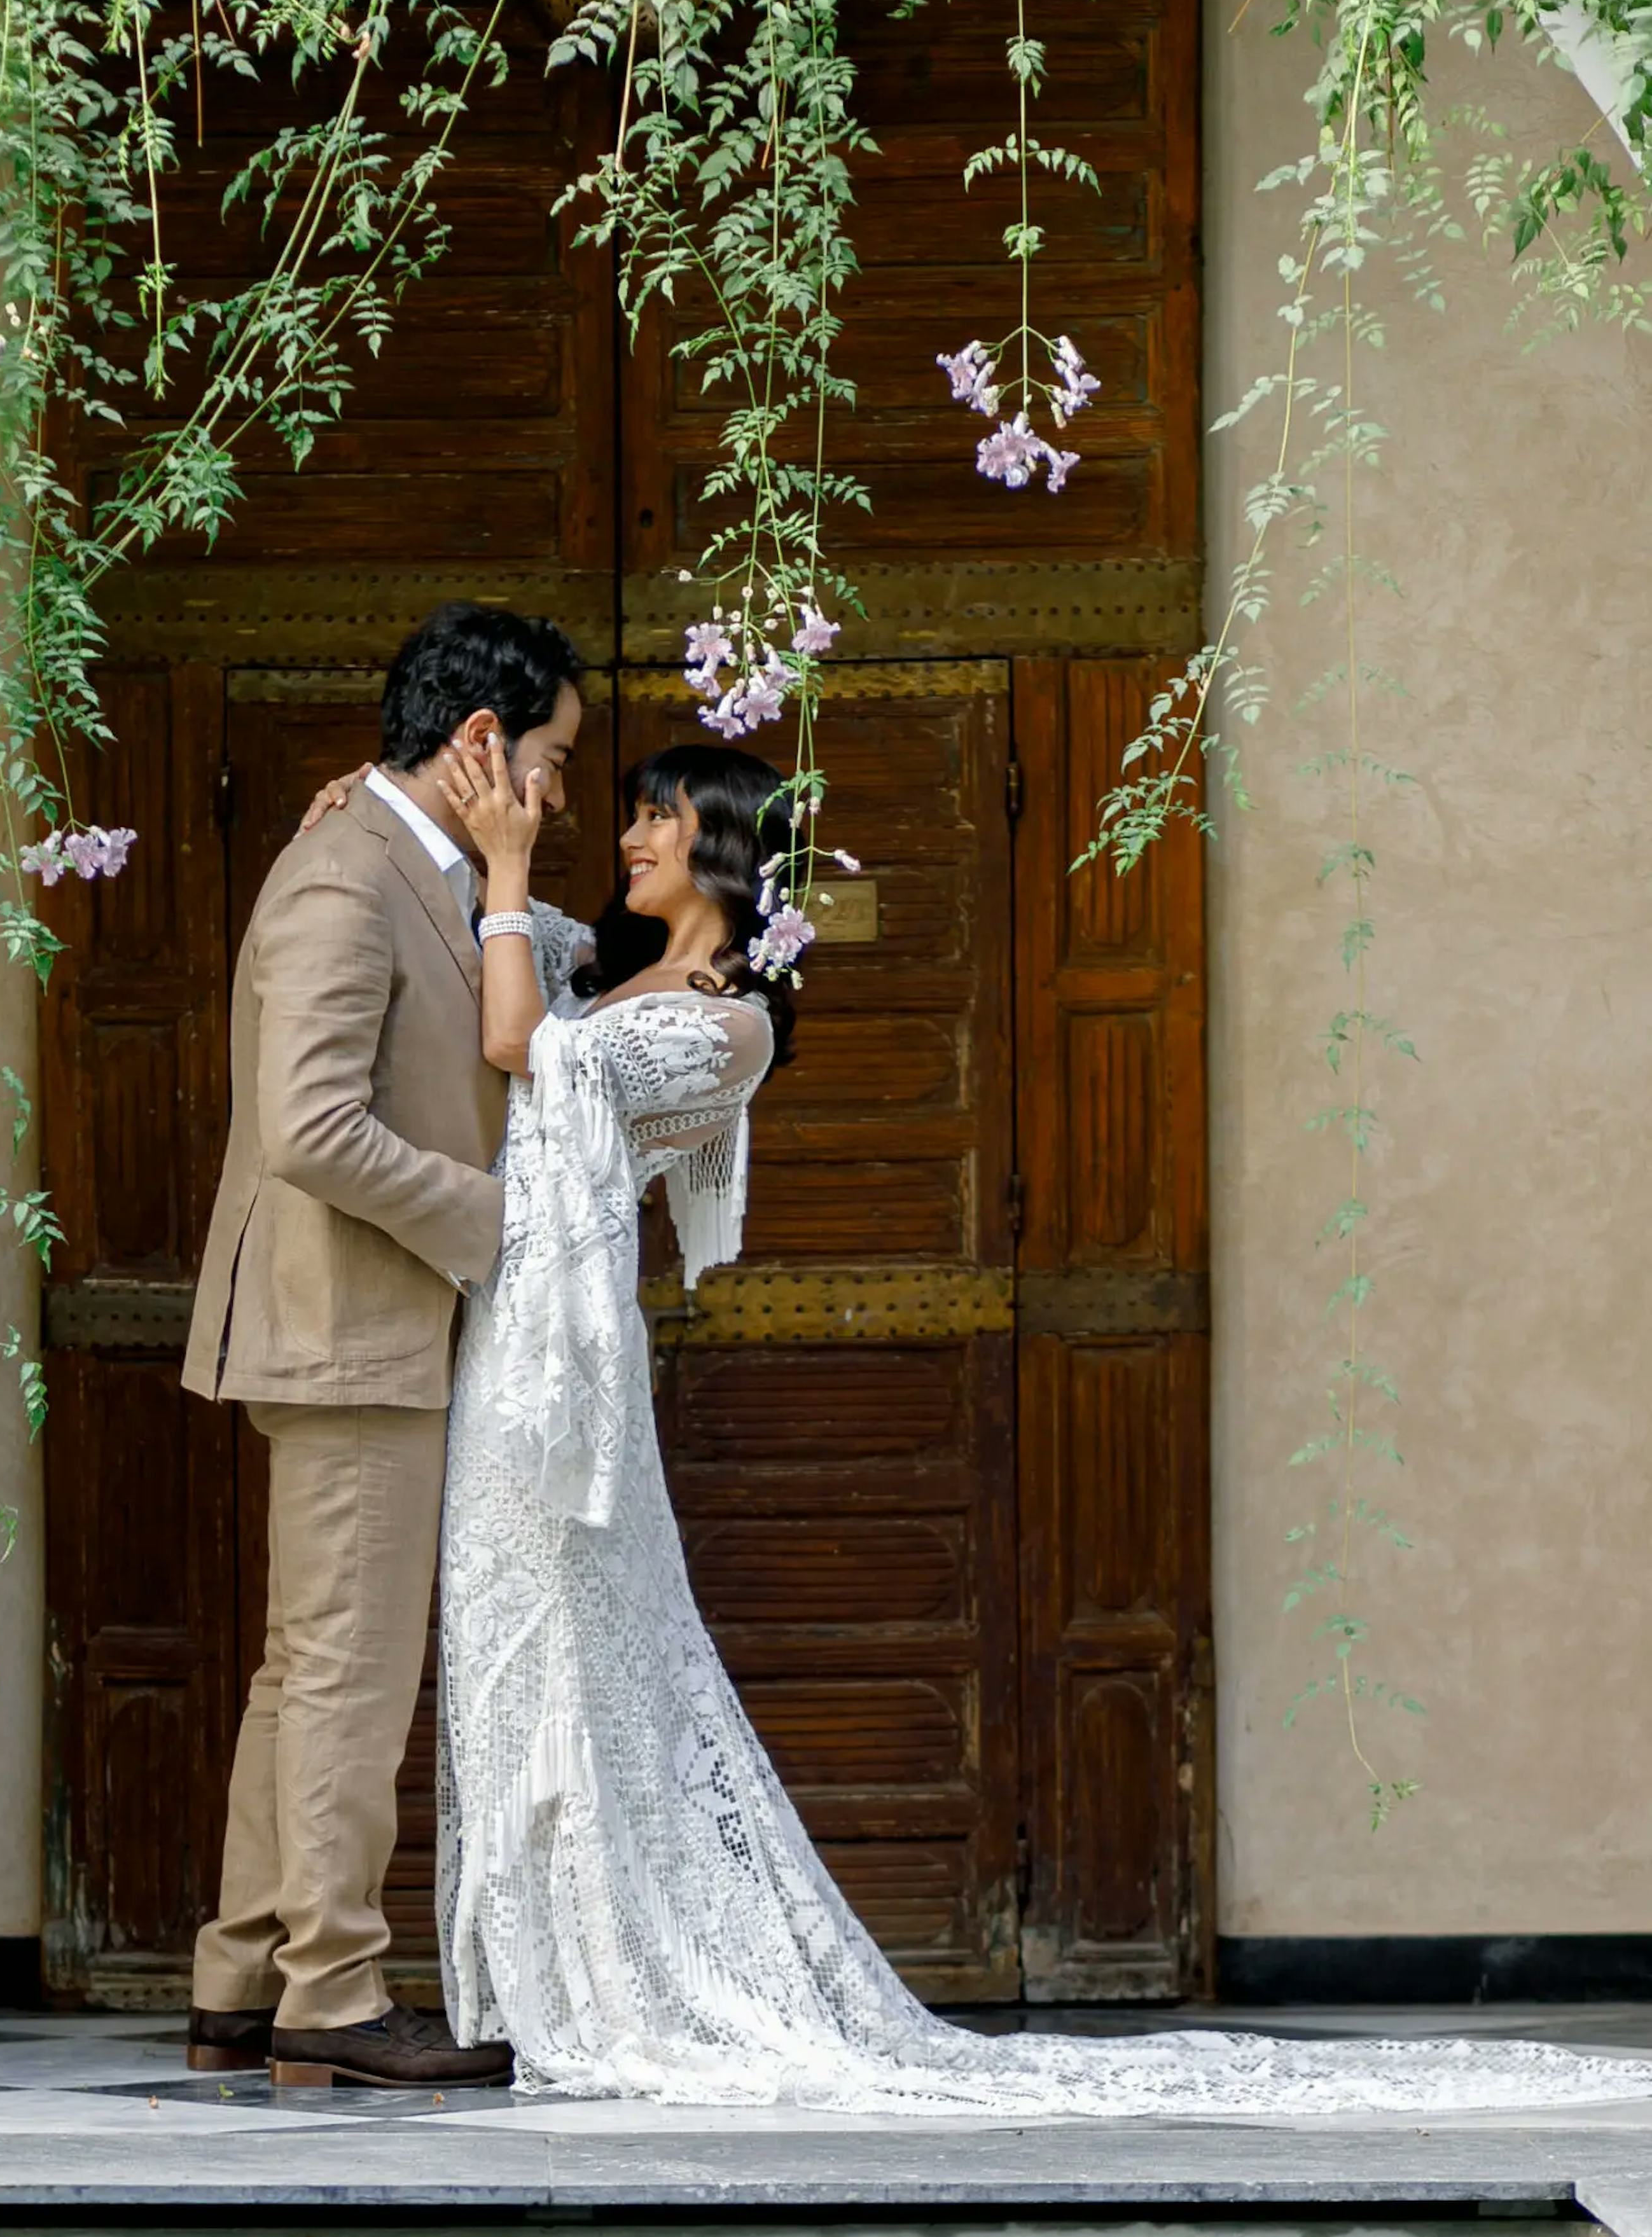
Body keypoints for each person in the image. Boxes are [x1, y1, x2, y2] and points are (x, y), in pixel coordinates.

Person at [414, 722, 1652, 2117]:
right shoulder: (613, 968)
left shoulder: (728, 1026)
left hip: (560, 1383)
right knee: (512, 1649)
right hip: (510, 1343)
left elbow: (515, 1038)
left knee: (577, 1658)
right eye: (627, 813)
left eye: (652, 818)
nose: (627, 838)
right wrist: (434, 825)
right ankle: (544, 1978)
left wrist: (510, 870)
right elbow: (479, 944)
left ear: (718, 846)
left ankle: (616, 1986)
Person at [182, 602, 585, 2093]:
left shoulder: (400, 858)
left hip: (358, 1327)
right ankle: (334, 1995)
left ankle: (243, 1977)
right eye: (551, 759)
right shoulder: (348, 877)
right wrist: (496, 1224)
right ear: (481, 744)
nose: (560, 791)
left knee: (307, 1671)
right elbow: (312, 1129)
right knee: (348, 1673)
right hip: (349, 1327)